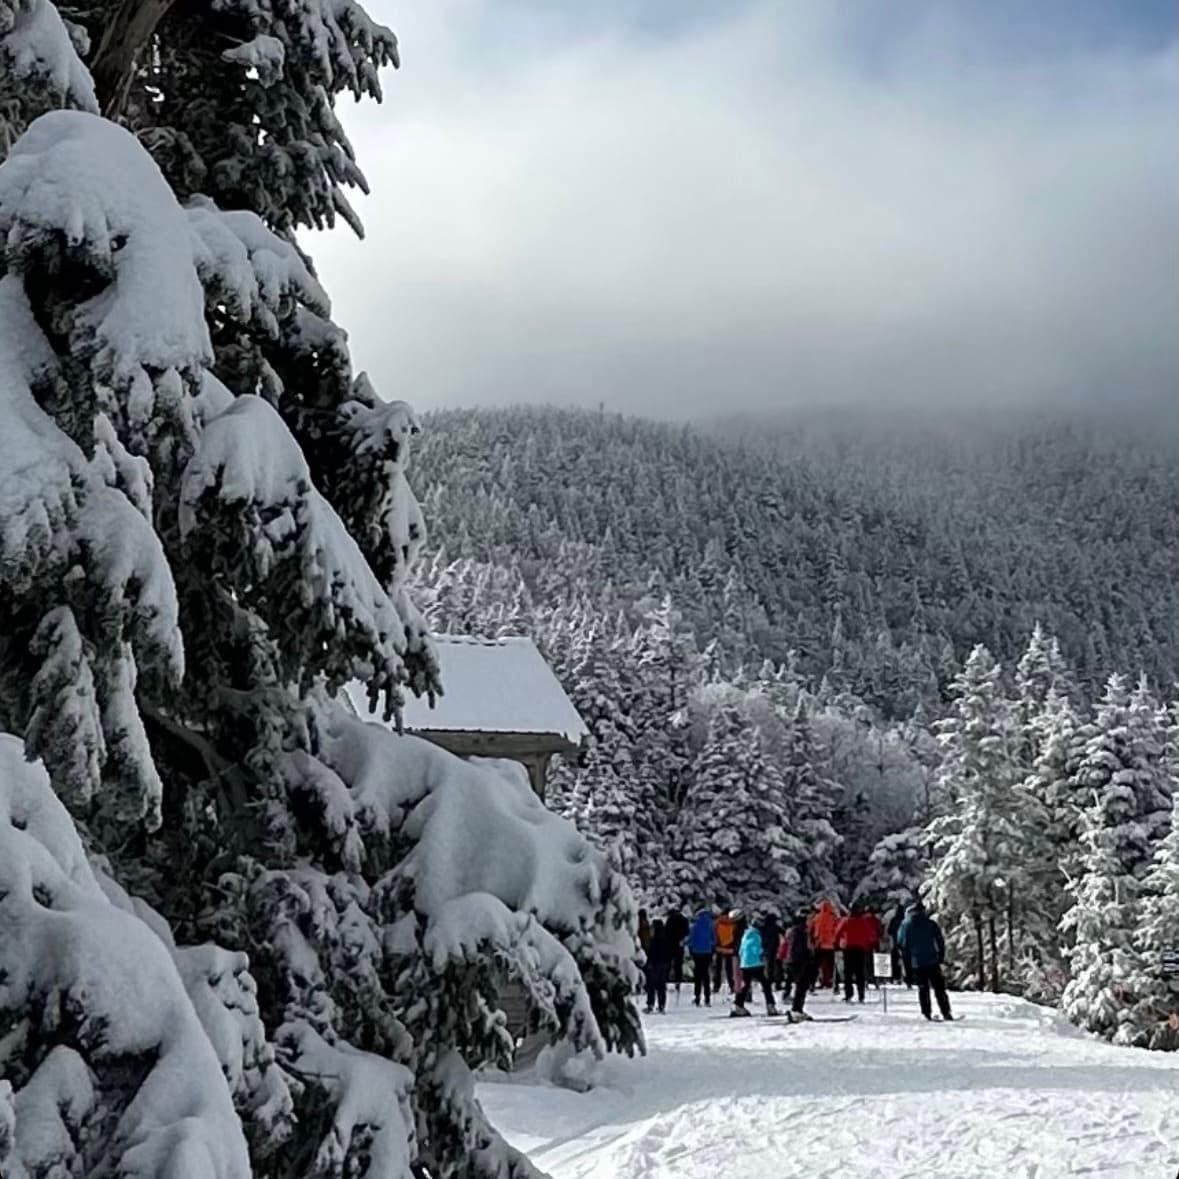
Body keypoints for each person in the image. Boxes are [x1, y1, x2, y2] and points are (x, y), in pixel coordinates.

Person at [896, 899, 953, 1021]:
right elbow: (939, 940)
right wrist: (941, 955)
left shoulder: (906, 925)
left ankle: (926, 1012)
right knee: (939, 988)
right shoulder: (930, 923)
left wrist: (907, 961)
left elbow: (901, 943)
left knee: (923, 988)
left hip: (916, 961)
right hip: (932, 959)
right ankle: (946, 1011)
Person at [733, 917, 777, 1016]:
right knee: (765, 985)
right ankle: (770, 1005)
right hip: (756, 963)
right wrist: (762, 953)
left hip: (744, 964)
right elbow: (756, 950)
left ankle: (738, 1005)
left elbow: (741, 950)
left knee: (745, 985)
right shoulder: (756, 935)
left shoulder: (745, 935)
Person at [836, 899, 876, 1003]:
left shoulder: (845, 920)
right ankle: (861, 994)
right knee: (860, 973)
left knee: (848, 973)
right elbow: (871, 935)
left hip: (848, 948)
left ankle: (848, 994)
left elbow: (837, 932)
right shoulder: (863, 921)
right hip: (860, 949)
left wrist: (837, 943)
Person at [782, 909, 814, 1022]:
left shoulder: (793, 930)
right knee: (801, 986)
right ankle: (796, 1010)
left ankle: (797, 1009)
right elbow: (800, 948)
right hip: (799, 961)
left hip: (791, 960)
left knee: (800, 985)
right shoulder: (800, 931)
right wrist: (808, 956)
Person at [808, 898, 841, 990]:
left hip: (819, 944)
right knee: (832, 966)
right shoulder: (833, 918)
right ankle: (836, 984)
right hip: (830, 945)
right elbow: (837, 930)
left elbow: (811, 929)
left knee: (815, 966)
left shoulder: (817, 918)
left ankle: (812, 983)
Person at [687, 905, 716, 1006]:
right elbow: (714, 939)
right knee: (706, 974)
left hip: (697, 952)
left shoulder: (695, 925)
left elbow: (691, 939)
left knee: (698, 975)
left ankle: (697, 996)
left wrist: (688, 946)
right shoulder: (711, 924)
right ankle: (707, 998)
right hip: (707, 952)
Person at [644, 919, 673, 1014]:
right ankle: (661, 1005)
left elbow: (651, 952)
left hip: (655, 964)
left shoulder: (654, 940)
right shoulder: (667, 938)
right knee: (661, 985)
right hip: (665, 964)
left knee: (651, 985)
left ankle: (650, 1004)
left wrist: (649, 962)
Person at [665, 904, 690, 992]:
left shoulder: (670, 920)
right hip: (680, 944)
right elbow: (687, 932)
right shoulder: (684, 920)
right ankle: (678, 982)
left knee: (668, 963)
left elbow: (666, 932)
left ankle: (666, 980)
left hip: (670, 945)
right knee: (678, 964)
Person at [713, 907, 738, 994]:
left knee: (718, 968)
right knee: (729, 969)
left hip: (719, 947)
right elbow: (735, 935)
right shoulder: (733, 923)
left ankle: (716, 986)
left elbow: (714, 934)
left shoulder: (717, 922)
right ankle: (732, 986)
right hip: (729, 948)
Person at [887, 901, 909, 986]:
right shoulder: (905, 920)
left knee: (894, 962)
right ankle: (907, 978)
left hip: (895, 944)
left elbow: (889, 931)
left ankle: (895, 977)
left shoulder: (894, 920)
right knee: (906, 962)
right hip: (905, 945)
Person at [760, 912, 782, 988]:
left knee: (767, 967)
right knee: (776, 967)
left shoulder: (763, 928)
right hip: (775, 949)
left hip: (766, 949)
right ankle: (777, 983)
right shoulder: (776, 928)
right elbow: (783, 934)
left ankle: (767, 983)